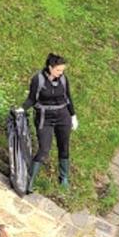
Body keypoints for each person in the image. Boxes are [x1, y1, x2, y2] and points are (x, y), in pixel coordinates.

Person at [19, 53, 77, 191]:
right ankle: (29, 180)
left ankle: (64, 177)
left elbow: (68, 98)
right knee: (44, 149)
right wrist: (22, 109)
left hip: (63, 116)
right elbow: (32, 99)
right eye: (58, 70)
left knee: (64, 146)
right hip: (45, 118)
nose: (61, 73)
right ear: (50, 67)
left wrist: (73, 115)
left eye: (62, 70)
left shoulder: (63, 79)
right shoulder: (38, 79)